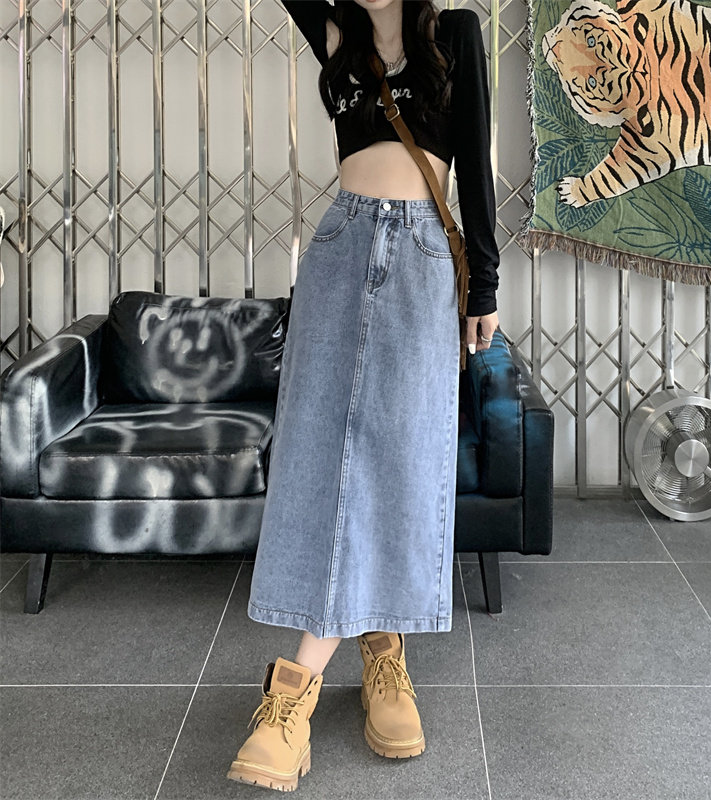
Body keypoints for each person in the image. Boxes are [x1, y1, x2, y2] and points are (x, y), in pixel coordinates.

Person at [227, 0, 500, 791]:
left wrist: (483, 283)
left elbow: (476, 162)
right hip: (341, 249)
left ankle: (360, 660)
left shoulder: (454, 33)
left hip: (421, 256)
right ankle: (342, 670)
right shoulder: (336, 32)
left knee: (403, 458)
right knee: (321, 458)